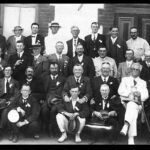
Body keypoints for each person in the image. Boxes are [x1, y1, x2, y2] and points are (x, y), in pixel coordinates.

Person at [118, 62, 149, 145]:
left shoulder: (143, 82)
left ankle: (126, 125)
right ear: (131, 70)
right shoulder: (125, 79)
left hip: (137, 104)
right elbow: (120, 91)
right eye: (133, 69)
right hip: (125, 102)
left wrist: (139, 95)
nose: (135, 71)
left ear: (140, 71)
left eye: (137, 69)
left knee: (132, 106)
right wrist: (131, 92)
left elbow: (146, 95)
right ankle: (131, 138)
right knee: (132, 108)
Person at [40, 62, 66, 136]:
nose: (54, 70)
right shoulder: (45, 78)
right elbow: (42, 91)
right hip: (47, 99)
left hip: (58, 100)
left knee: (53, 110)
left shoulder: (63, 79)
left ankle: (53, 128)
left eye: (55, 68)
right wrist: (44, 99)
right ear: (49, 69)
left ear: (58, 69)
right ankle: (47, 126)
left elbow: (64, 91)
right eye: (52, 68)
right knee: (44, 110)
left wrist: (57, 98)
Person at [0, 66, 20, 136]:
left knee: (5, 111)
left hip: (10, 101)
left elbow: (17, 95)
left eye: (9, 70)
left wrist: (11, 101)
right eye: (6, 70)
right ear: (3, 72)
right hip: (1, 101)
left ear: (11, 72)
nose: (7, 72)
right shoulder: (0, 81)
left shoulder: (15, 82)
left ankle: (1, 129)